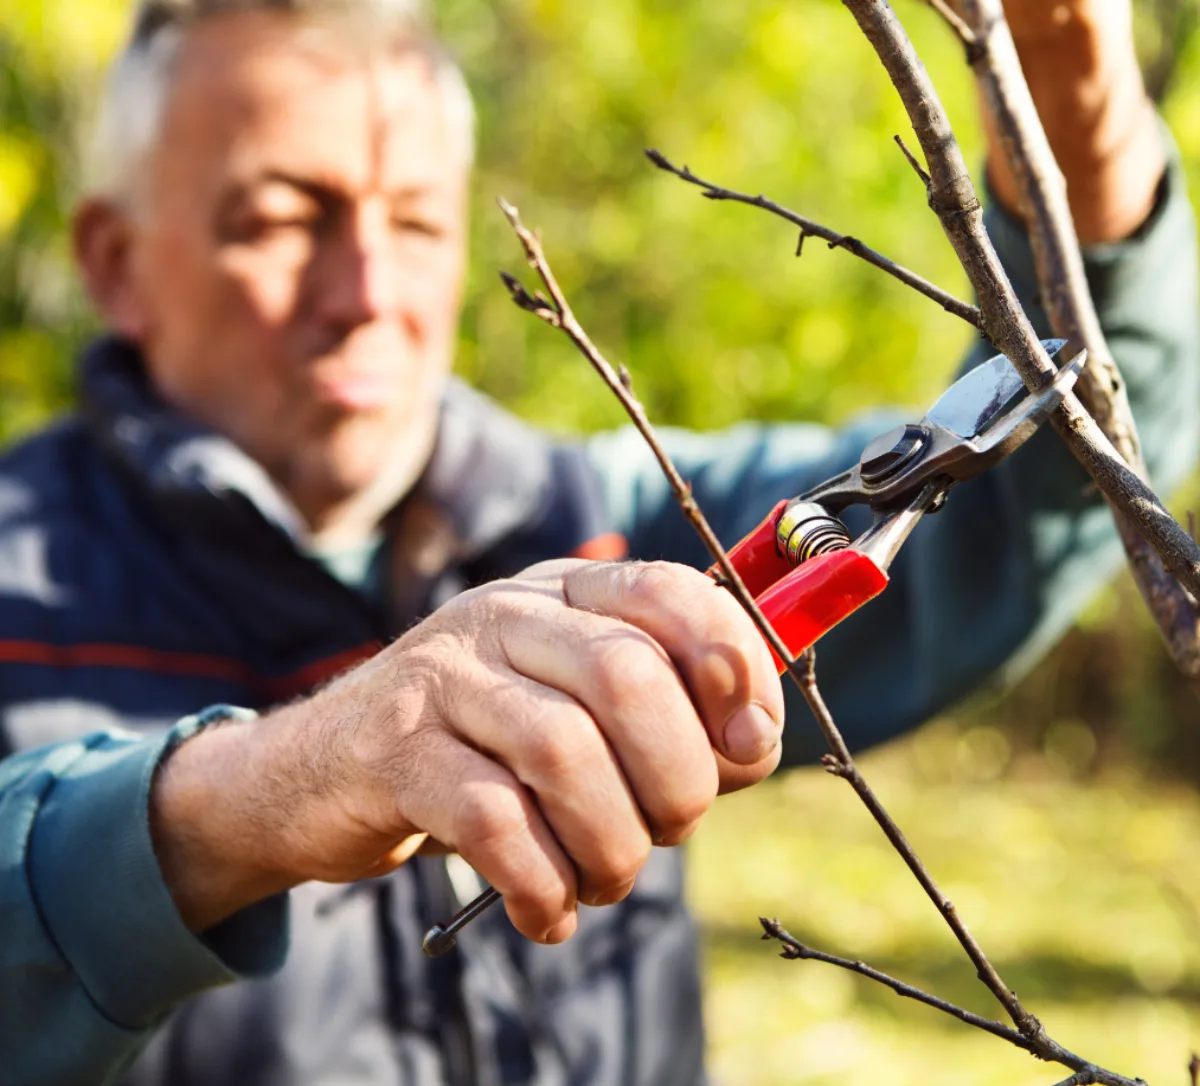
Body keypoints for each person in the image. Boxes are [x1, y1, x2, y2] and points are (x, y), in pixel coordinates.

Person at [0, 0, 1194, 1083]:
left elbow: (1056, 462)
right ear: (116, 262)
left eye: (415, 221)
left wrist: (1064, 65)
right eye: (280, 218)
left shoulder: (601, 524)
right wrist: (250, 798)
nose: (367, 289)